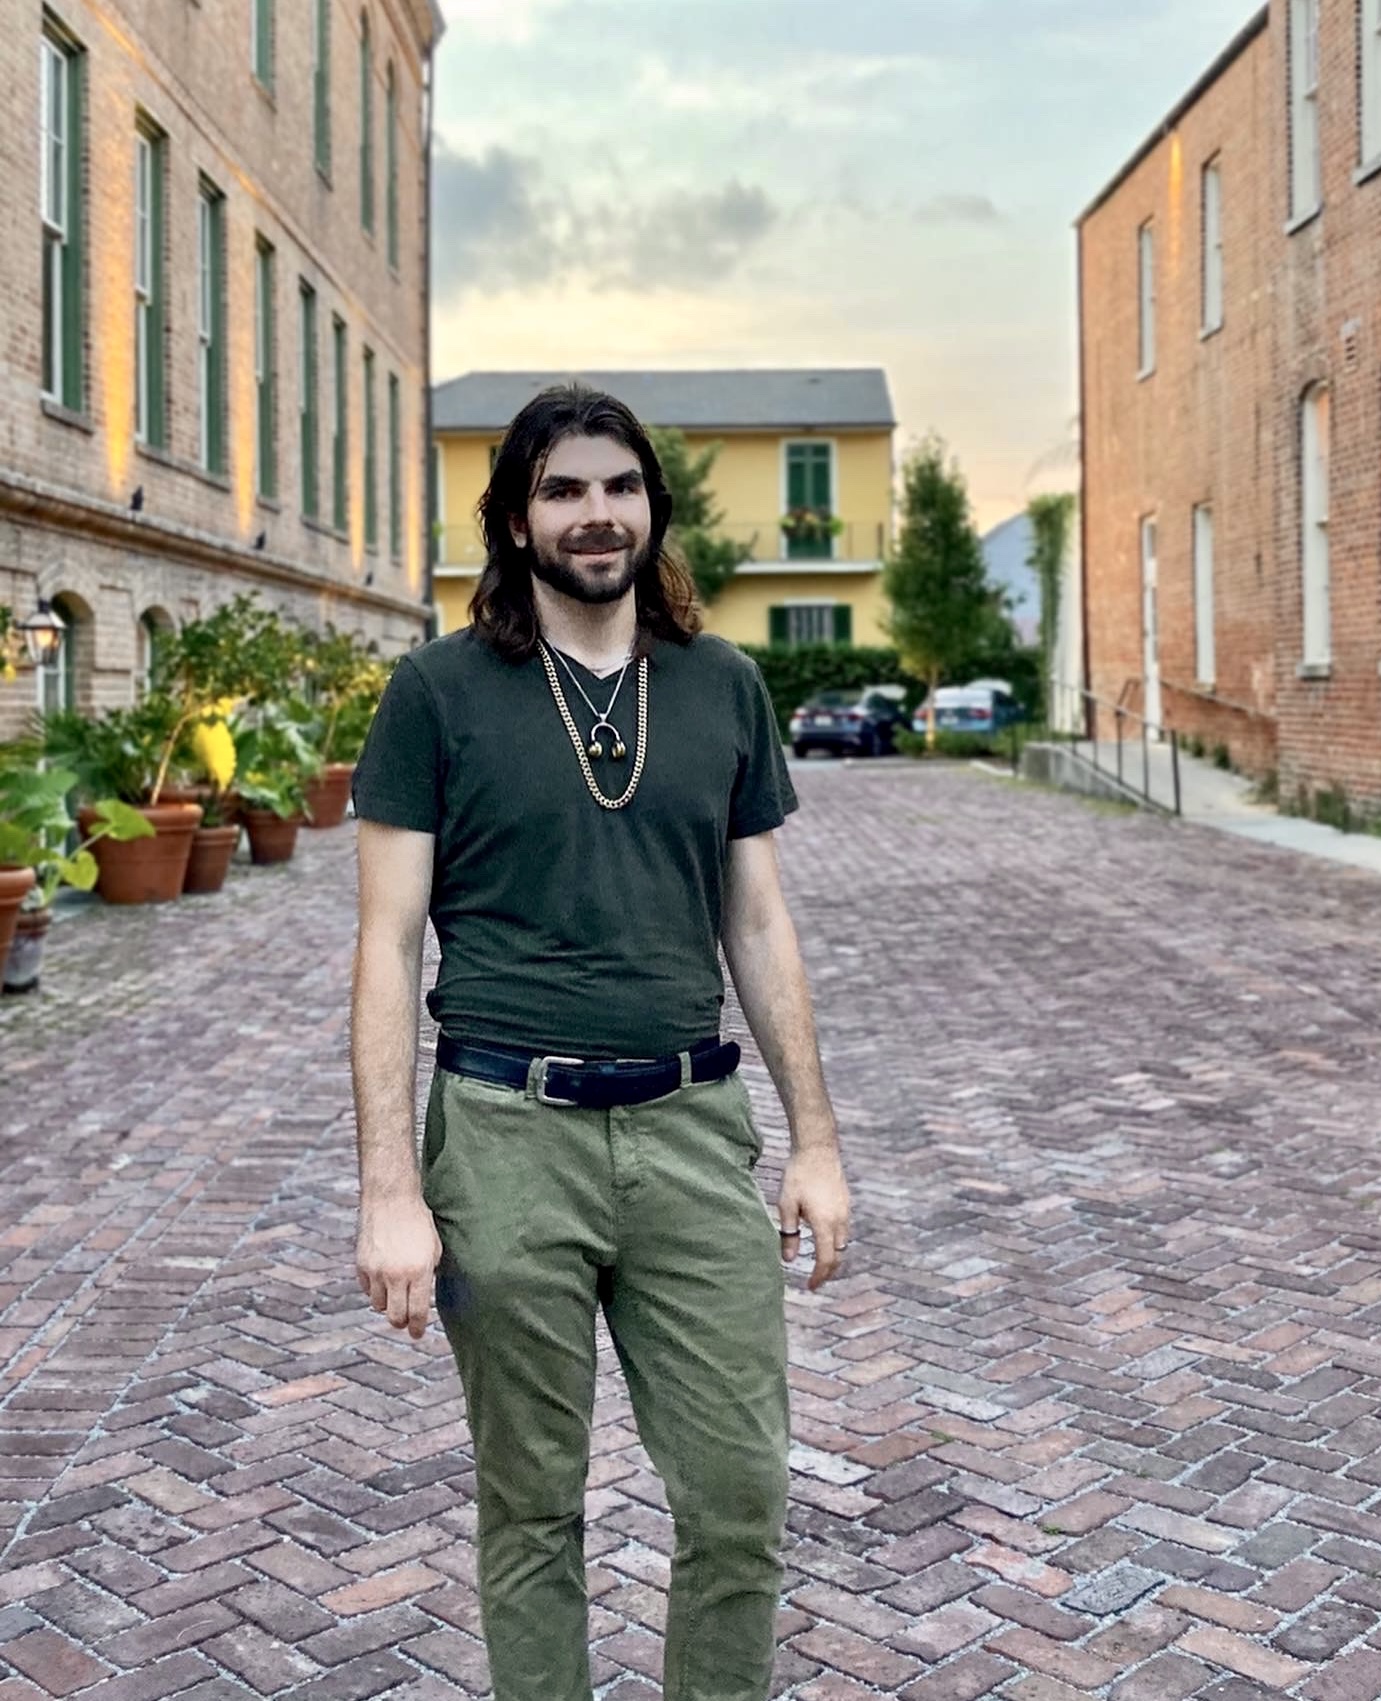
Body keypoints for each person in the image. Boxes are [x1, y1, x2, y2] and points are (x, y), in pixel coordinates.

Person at [349, 383, 850, 1701]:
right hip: (507, 1132)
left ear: (653, 507)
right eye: (564, 490)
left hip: (691, 1129)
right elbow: (388, 948)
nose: (596, 514)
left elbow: (758, 919)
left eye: (619, 486)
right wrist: (391, 1189)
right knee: (532, 1506)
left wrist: (816, 1141)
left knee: (741, 1493)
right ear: (516, 520)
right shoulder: (438, 694)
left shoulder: (722, 685)